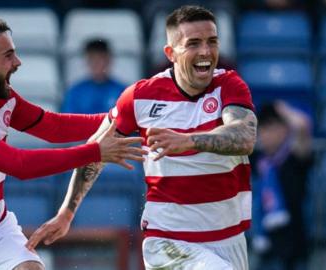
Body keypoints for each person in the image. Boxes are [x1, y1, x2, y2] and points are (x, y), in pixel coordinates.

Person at [27, 5, 257, 270]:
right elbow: (95, 151)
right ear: (170, 53)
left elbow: (244, 136)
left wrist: (189, 141)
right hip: (169, 240)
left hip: (229, 239)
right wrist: (66, 212)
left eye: (211, 42)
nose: (205, 51)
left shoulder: (229, 85)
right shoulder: (140, 98)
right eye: (193, 43)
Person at [0, 19, 146, 270]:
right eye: (8, 55)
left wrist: (122, 118)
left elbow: (53, 127)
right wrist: (95, 151)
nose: (18, 63)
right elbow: (20, 165)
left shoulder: (1, 96)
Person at [250, 101, 312, 270]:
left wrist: (281, 108)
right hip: (265, 245)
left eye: (273, 127)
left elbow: (302, 126)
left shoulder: (294, 157)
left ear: (285, 130)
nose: (267, 134)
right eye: (263, 128)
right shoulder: (257, 159)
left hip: (295, 245)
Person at [61, 39, 126, 114]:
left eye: (100, 58)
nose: (96, 63)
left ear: (108, 60)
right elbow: (68, 120)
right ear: (87, 61)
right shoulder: (75, 92)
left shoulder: (122, 91)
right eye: (92, 58)